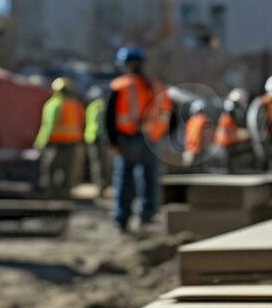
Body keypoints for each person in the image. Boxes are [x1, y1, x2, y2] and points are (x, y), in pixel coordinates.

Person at [104, 46, 171, 233]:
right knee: (150, 179)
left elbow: (109, 117)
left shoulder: (120, 85)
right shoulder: (157, 86)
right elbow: (167, 114)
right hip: (151, 140)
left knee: (126, 179)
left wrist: (113, 143)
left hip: (128, 139)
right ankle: (147, 216)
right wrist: (159, 134)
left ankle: (123, 218)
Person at [34, 77, 85, 195]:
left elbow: (48, 126)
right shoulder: (77, 105)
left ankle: (50, 192)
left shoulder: (53, 104)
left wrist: (40, 142)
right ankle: (65, 191)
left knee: (50, 167)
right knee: (68, 168)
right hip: (72, 141)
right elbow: (82, 122)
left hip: (56, 142)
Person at [214, 90, 253, 172]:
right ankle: (230, 169)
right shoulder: (229, 114)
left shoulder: (225, 115)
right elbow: (235, 126)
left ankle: (230, 169)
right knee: (230, 153)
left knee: (230, 155)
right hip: (227, 139)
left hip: (226, 138)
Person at [83, 85, 109, 195]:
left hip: (97, 138)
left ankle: (101, 187)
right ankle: (100, 187)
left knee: (98, 164)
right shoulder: (98, 106)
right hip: (96, 138)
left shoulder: (94, 106)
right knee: (99, 164)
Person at [183, 99, 211, 169]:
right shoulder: (204, 119)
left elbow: (187, 135)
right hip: (198, 146)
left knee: (194, 165)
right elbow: (208, 132)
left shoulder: (191, 121)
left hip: (192, 146)